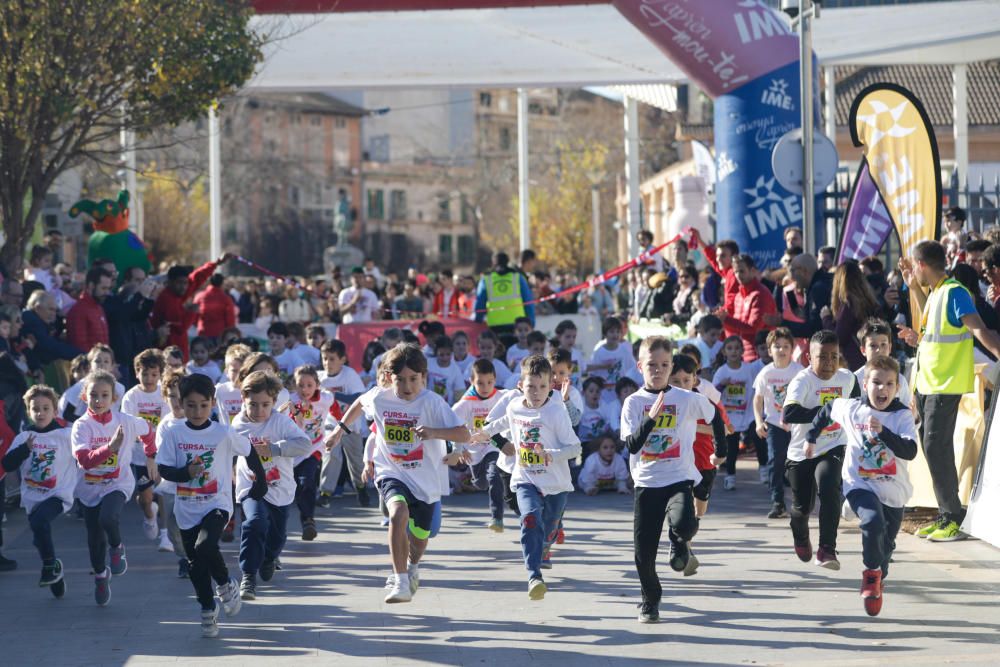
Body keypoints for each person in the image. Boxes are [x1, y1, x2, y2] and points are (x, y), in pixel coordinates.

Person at [325, 344, 470, 603]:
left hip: (425, 480)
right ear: (390, 378)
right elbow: (359, 403)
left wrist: (435, 433)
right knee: (397, 513)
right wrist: (339, 431)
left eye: (413, 379)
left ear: (423, 377)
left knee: (420, 539)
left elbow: (463, 434)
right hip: (391, 470)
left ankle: (412, 568)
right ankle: (400, 580)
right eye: (400, 379)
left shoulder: (432, 402)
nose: (407, 386)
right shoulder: (380, 397)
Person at [897, 240, 1000, 541]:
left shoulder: (955, 292)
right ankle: (946, 514)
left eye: (913, 267)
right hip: (929, 384)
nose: (911, 271)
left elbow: (979, 329)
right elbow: (933, 334)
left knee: (935, 446)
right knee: (931, 447)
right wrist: (911, 290)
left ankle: (952, 517)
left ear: (921, 265)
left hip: (945, 385)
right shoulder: (937, 293)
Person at [623, 336, 726, 623]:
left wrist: (722, 451)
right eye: (652, 365)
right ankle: (650, 599)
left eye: (664, 365)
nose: (658, 370)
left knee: (685, 523)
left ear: (671, 367)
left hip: (679, 478)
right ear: (640, 366)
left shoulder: (686, 398)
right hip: (646, 482)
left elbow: (715, 416)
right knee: (643, 555)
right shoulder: (633, 403)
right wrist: (650, 420)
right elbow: (632, 445)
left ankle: (679, 540)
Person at [807, 354, 916, 617]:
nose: (883, 389)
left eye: (890, 384)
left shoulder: (902, 415)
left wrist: (884, 433)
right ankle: (870, 574)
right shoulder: (852, 408)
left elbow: (910, 451)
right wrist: (811, 438)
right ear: (865, 384)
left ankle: (879, 573)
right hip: (859, 484)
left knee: (886, 545)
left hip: (893, 490)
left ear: (897, 388)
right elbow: (825, 411)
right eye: (877, 382)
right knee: (872, 522)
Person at [476, 354, 581, 600]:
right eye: (531, 386)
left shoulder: (556, 412)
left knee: (549, 528)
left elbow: (575, 448)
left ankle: (547, 542)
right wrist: (482, 434)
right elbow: (500, 422)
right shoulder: (514, 405)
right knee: (530, 519)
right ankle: (534, 575)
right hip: (525, 478)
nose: (536, 392)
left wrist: (550, 455)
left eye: (542, 386)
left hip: (556, 482)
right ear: (520, 385)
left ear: (551, 386)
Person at [155, 373, 248, 637]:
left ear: (212, 403)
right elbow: (163, 468)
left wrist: (259, 483)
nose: (197, 411)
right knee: (195, 563)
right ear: (182, 404)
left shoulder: (223, 432)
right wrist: (186, 473)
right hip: (186, 507)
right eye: (191, 405)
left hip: (217, 503)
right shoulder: (174, 432)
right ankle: (208, 609)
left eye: (203, 405)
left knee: (206, 545)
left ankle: (225, 583)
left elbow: (249, 451)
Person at [71, 369, 153, 605]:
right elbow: (85, 460)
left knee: (108, 518)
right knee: (94, 539)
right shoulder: (81, 426)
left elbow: (149, 432)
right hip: (88, 488)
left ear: (113, 399)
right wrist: (111, 447)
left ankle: (117, 547)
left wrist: (151, 456)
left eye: (104, 395)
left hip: (117, 483)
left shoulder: (125, 421)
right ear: (85, 396)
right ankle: (100, 574)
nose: (98, 400)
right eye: (93, 395)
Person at [781, 330, 860, 570]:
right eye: (822, 357)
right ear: (808, 357)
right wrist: (826, 412)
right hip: (801, 451)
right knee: (801, 507)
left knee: (829, 488)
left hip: (833, 445)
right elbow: (790, 413)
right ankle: (801, 535)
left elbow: (856, 408)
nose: (828, 363)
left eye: (834, 357)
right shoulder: (802, 381)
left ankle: (827, 549)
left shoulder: (847, 379)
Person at [232, 371, 311, 599]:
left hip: (280, 488)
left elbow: (304, 445)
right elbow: (225, 448)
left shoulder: (280, 421)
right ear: (243, 400)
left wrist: (274, 449)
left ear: (274, 402)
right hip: (252, 487)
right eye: (253, 405)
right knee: (255, 523)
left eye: (265, 405)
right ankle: (248, 576)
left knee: (277, 536)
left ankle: (269, 557)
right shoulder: (238, 425)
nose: (259, 411)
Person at [1, 385, 73, 598]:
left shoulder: (66, 435)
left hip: (58, 494)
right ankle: (54, 573)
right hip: (33, 496)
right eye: (35, 409)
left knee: (39, 523)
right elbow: (7, 463)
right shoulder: (24, 437)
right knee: (38, 531)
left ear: (54, 411)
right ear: (28, 411)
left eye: (45, 408)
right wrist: (25, 450)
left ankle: (50, 565)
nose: (40, 413)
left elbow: (86, 454)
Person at [451, 359, 509, 531]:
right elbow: (455, 426)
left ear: (495, 379)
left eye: (490, 382)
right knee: (481, 484)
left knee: (494, 475)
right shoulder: (465, 403)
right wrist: (458, 449)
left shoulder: (502, 398)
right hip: (474, 449)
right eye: (480, 383)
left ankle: (497, 517)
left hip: (493, 444)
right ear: (471, 381)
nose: (485, 387)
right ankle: (476, 481)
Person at [752, 328, 803, 519]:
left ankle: (800, 501)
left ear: (792, 349)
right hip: (774, 423)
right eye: (777, 346)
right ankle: (778, 501)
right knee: (775, 461)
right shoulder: (766, 373)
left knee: (797, 462)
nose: (781, 350)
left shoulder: (799, 371)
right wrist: (759, 422)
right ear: (769, 349)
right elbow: (757, 399)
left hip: (797, 424)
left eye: (785, 346)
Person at [120, 349, 170, 545]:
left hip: (162, 454)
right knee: (146, 499)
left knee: (163, 491)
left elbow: (167, 423)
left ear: (160, 375)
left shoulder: (163, 395)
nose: (149, 378)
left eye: (154, 374)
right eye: (145, 373)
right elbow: (129, 426)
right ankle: (150, 516)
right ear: (136, 373)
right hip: (139, 455)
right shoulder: (131, 397)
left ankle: (165, 535)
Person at [286, 366, 335, 541]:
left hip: (315, 447)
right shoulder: (290, 401)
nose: (305, 389)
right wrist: (296, 413)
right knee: (297, 485)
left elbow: (335, 408)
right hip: (293, 450)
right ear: (294, 385)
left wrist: (340, 428)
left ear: (317, 385)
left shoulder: (325, 398)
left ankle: (308, 520)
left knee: (307, 480)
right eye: (301, 385)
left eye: (309, 385)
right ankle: (302, 515)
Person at [316, 339, 368, 508]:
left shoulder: (349, 375)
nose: (327, 363)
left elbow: (358, 398)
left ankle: (360, 488)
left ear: (342, 359)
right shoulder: (319, 378)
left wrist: (334, 395)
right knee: (331, 456)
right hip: (330, 425)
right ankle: (325, 492)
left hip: (351, 425)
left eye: (331, 359)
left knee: (356, 461)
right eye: (324, 358)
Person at [152, 254, 231, 362]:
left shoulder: (176, 295)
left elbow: (196, 279)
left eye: (185, 283)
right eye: (179, 283)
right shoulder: (167, 299)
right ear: (170, 282)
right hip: (170, 358)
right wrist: (191, 312)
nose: (184, 286)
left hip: (176, 354)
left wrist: (216, 263)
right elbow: (180, 327)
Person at [154, 369, 190, 577]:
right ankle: (183, 556)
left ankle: (196, 554)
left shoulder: (197, 419)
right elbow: (162, 454)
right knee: (173, 522)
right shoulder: (165, 424)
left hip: (194, 483)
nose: (177, 402)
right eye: (172, 397)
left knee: (195, 521)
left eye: (181, 396)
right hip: (171, 483)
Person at [713, 335, 757, 490]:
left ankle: (765, 469)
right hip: (729, 417)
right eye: (730, 348)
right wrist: (722, 385)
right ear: (724, 352)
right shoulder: (721, 371)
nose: (734, 351)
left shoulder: (748, 369)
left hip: (748, 413)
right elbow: (713, 394)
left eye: (737, 348)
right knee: (732, 449)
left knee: (758, 439)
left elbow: (755, 389)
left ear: (742, 351)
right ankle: (730, 476)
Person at [718, 254, 776, 362]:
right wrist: (721, 321)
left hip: (762, 358)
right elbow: (737, 328)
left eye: (742, 271)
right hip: (745, 357)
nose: (738, 275)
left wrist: (726, 319)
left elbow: (754, 327)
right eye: (735, 272)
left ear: (753, 270)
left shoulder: (760, 294)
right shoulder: (739, 296)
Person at [824, 262, 881, 371]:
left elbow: (838, 338)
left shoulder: (849, 304)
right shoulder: (871, 302)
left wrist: (825, 318)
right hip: (871, 357)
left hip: (854, 362)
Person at [764, 253, 832, 340]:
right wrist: (804, 314)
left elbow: (814, 329)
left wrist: (781, 323)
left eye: (792, 270)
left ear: (803, 271)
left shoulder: (818, 288)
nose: (790, 275)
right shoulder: (818, 284)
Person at [476, 252, 536, 341]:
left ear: (493, 263)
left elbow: (479, 305)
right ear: (508, 262)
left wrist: (478, 321)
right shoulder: (518, 277)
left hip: (495, 326)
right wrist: (531, 323)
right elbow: (528, 302)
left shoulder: (486, 279)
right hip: (517, 325)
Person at [21, 290, 82, 367]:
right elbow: (51, 346)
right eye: (50, 309)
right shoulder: (31, 320)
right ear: (38, 308)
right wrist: (81, 354)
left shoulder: (36, 320)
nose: (54, 314)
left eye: (55, 310)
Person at [587, 316, 637, 403]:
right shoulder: (599, 352)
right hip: (604, 394)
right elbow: (592, 374)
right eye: (612, 332)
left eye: (618, 332)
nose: (615, 335)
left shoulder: (624, 350)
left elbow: (633, 368)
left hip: (621, 393)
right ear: (605, 333)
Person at [66, 267, 113, 352]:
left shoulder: (99, 308)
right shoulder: (79, 310)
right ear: (91, 285)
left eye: (108, 289)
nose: (107, 293)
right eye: (103, 288)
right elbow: (79, 345)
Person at [194, 273, 236, 342]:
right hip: (220, 334)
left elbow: (194, 316)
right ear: (222, 283)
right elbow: (230, 319)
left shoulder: (199, 296)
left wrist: (198, 325)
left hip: (203, 331)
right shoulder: (226, 299)